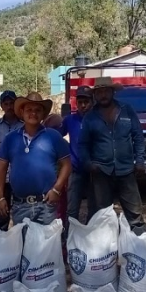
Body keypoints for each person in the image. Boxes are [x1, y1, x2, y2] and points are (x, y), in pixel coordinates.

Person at [79, 77, 146, 233]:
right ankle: (103, 245)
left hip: (126, 170)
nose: (103, 95)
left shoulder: (127, 110)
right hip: (101, 171)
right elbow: (83, 144)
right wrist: (88, 164)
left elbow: (138, 136)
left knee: (135, 215)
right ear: (94, 95)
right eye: (99, 92)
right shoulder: (90, 117)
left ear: (112, 92)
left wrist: (140, 160)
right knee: (100, 215)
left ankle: (140, 243)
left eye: (106, 91)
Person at [0, 92, 71, 226]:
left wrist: (57, 189)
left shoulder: (53, 136)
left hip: (46, 205)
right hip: (20, 205)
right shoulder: (11, 138)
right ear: (22, 112)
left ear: (43, 114)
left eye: (37, 110)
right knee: (23, 239)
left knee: (47, 240)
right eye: (29, 110)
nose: (33, 113)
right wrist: (0, 197)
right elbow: (1, 167)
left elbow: (67, 165)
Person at [59, 86, 94, 223]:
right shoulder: (69, 120)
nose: (83, 105)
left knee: (94, 208)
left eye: (86, 102)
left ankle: (91, 234)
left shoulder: (98, 120)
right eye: (80, 102)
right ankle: (69, 234)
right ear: (76, 103)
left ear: (92, 102)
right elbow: (57, 136)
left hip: (95, 171)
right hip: (75, 171)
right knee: (72, 209)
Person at [0, 90, 23, 230]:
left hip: (20, 178)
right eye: (6, 104)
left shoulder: (24, 125)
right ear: (1, 105)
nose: (9, 107)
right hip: (1, 179)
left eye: (12, 103)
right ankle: (1, 240)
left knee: (21, 216)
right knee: (2, 217)